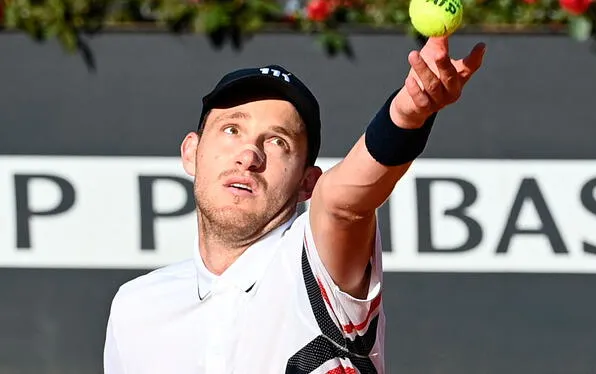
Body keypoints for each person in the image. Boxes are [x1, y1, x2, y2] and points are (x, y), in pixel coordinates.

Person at [103, 35, 485, 374]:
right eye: (232, 129)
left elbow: (343, 204)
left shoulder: (316, 262)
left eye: (278, 141)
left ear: (307, 183)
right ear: (191, 152)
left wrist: (408, 113)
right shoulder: (135, 307)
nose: (249, 154)